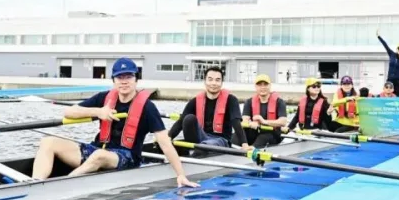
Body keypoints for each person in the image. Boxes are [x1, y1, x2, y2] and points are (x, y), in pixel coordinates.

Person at [32, 58, 199, 187]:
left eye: (128, 77)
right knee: (48, 142)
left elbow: (165, 143)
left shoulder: (148, 107)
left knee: (99, 155)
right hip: (98, 149)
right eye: (120, 77)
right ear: (114, 80)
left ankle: (62, 186)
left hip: (127, 157)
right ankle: (35, 184)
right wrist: (99, 112)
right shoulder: (104, 97)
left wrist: (180, 175)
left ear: (136, 80)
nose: (124, 81)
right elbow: (69, 112)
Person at [168, 66, 248, 149]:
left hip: (220, 140)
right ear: (205, 81)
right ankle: (193, 150)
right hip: (200, 137)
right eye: (210, 79)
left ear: (221, 83)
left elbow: (236, 123)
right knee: (188, 118)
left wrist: (244, 144)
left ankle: (198, 151)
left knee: (205, 146)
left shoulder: (231, 100)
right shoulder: (195, 101)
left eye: (217, 80)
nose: (213, 83)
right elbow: (180, 122)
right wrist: (169, 137)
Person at [239, 74, 289, 148]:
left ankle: (251, 149)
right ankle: (229, 150)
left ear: (270, 86)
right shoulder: (249, 102)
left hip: (272, 134)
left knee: (264, 137)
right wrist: (250, 123)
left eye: (265, 84)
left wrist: (264, 121)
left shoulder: (279, 102)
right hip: (254, 133)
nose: (263, 87)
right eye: (260, 85)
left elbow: (283, 122)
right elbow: (244, 120)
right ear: (256, 87)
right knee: (238, 134)